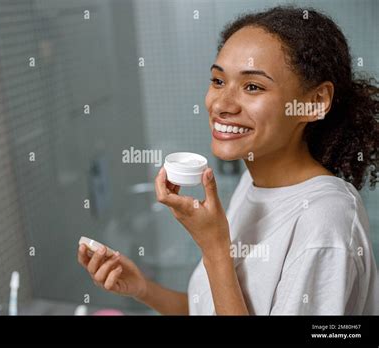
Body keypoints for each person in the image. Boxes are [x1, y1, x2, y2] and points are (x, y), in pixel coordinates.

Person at [77, 6, 379, 315]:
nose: (221, 104)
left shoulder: (326, 223)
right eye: (218, 81)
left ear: (314, 103)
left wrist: (215, 250)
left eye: (252, 87)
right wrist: (142, 289)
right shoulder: (254, 181)